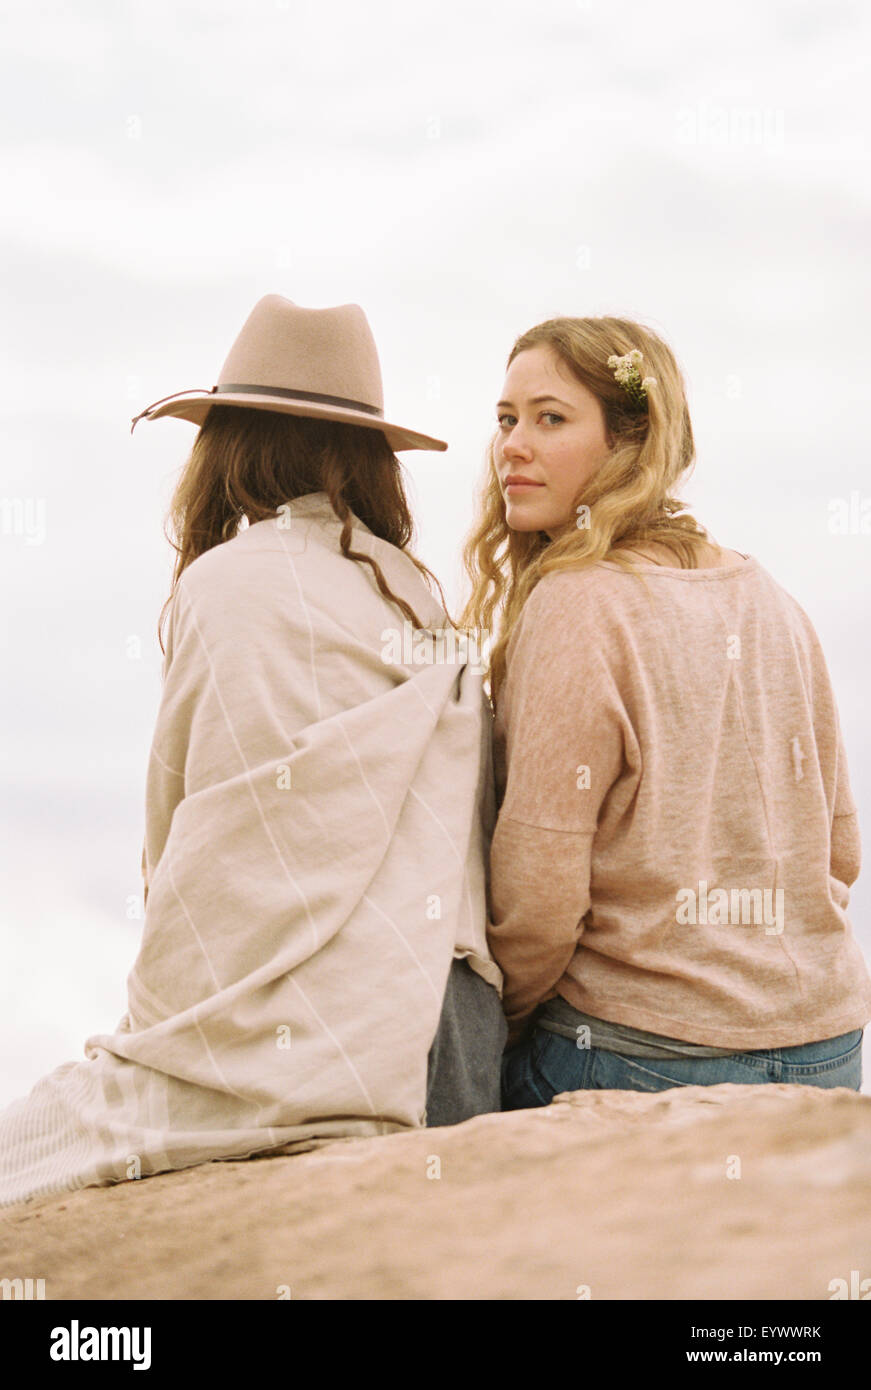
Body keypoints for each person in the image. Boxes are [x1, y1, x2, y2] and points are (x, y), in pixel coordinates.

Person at [0, 294, 505, 1209]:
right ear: (368, 462)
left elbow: (178, 824)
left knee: (39, 1143)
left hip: (317, 1038)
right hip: (451, 1033)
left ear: (228, 446)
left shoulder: (222, 585)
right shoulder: (419, 601)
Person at [459, 314, 871, 1105]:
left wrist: (498, 1024)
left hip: (639, 1052)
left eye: (550, 419)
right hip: (828, 1045)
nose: (513, 445)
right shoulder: (768, 595)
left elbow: (540, 903)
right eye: (506, 420)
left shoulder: (577, 605)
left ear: (630, 442)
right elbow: (840, 850)